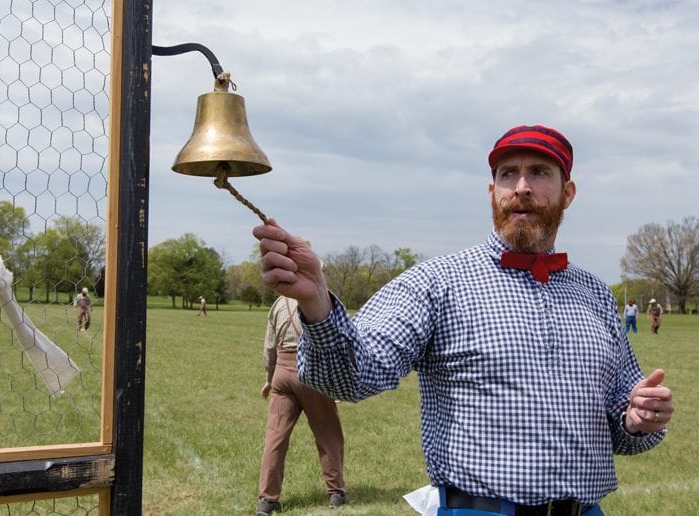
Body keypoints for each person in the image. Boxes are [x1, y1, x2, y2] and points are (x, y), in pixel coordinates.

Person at [254, 124, 674, 515]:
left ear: (568, 192)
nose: (522, 188)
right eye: (509, 174)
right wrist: (316, 304)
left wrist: (639, 418)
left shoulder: (595, 294)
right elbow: (352, 376)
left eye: (540, 173)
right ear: (493, 191)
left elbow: (624, 418)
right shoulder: (436, 283)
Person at [256, 296, 347, 516]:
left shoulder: (278, 303)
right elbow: (339, 342)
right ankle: (336, 492)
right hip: (313, 372)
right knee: (328, 435)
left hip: (281, 373)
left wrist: (270, 378)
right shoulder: (322, 298)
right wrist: (337, 383)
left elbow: (270, 346)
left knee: (275, 438)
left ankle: (267, 500)